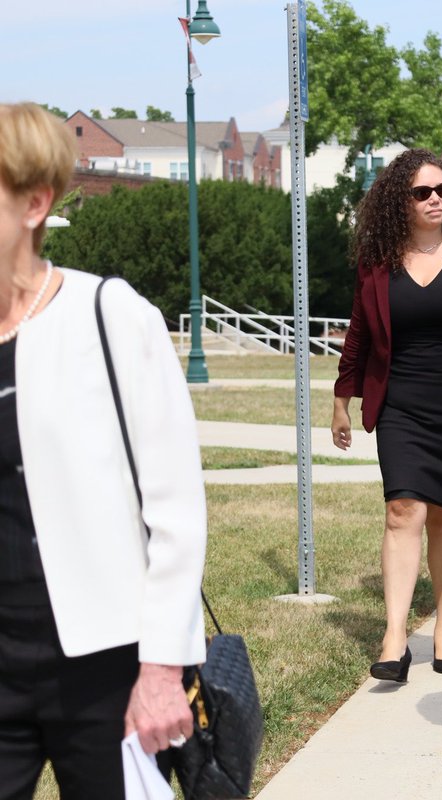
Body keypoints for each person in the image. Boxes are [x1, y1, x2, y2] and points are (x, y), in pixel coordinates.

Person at [0, 102, 206, 796]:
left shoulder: (106, 314)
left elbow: (175, 510)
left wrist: (160, 670)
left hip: (101, 665)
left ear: (34, 203)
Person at [332, 148, 442, 683]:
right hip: (400, 404)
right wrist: (342, 400)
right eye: (422, 192)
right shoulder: (378, 265)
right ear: (401, 200)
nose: (436, 198)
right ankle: (395, 634)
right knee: (402, 512)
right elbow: (359, 336)